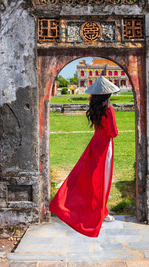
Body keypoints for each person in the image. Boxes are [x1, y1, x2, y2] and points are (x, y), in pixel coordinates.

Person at [49, 76, 120, 237]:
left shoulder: (94, 107)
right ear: (107, 95)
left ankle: (101, 210)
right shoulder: (109, 109)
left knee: (89, 179)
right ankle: (102, 213)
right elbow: (113, 133)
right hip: (105, 147)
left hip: (94, 144)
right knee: (103, 181)